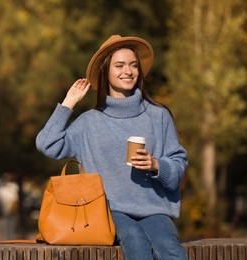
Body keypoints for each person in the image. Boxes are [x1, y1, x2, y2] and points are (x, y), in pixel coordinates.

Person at [35, 35, 188, 260]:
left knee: (169, 248)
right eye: (119, 65)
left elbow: (177, 164)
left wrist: (156, 165)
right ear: (106, 71)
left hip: (154, 210)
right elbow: (47, 144)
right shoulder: (89, 122)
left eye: (133, 65)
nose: (128, 71)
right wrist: (68, 103)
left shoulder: (159, 116)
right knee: (135, 242)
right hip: (108, 210)